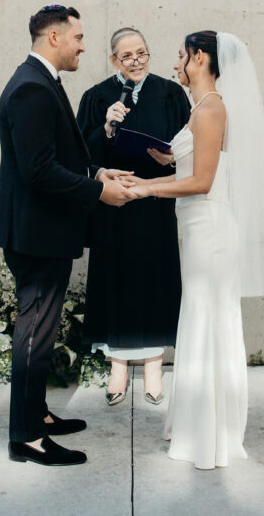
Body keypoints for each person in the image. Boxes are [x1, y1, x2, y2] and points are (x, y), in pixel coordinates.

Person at [125, 31, 264, 469]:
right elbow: (190, 166)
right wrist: (151, 175)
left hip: (210, 230)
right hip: (196, 229)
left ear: (198, 58)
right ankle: (200, 424)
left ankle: (211, 436)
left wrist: (144, 192)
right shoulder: (201, 109)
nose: (175, 63)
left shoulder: (212, 109)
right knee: (199, 318)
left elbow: (202, 182)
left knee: (209, 321)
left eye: (180, 55)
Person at [0, 5, 136, 468]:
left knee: (41, 330)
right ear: (54, 37)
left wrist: (96, 169)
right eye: (77, 36)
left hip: (44, 231)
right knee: (34, 332)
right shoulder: (31, 88)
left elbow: (57, 154)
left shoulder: (41, 82)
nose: (83, 45)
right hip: (37, 235)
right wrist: (98, 192)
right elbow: (37, 170)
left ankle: (37, 416)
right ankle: (27, 438)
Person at [77, 27, 190, 405]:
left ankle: (155, 365)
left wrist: (171, 157)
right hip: (115, 203)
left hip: (157, 201)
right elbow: (79, 156)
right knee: (116, 282)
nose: (137, 61)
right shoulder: (96, 97)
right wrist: (106, 128)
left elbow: (191, 147)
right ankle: (119, 367)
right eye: (127, 56)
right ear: (113, 61)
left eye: (142, 53)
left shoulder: (171, 93)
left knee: (156, 280)